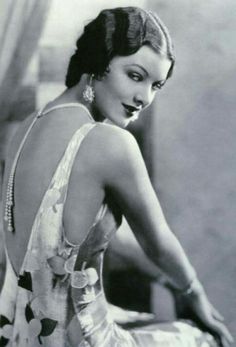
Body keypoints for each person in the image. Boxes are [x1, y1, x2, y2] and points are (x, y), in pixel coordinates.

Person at [0, 6, 233, 347]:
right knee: (203, 339)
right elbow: (157, 242)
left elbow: (73, 237)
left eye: (157, 85)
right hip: (81, 339)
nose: (145, 98)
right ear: (99, 61)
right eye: (135, 76)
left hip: (14, 335)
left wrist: (167, 283)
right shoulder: (109, 143)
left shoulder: (26, 129)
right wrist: (190, 291)